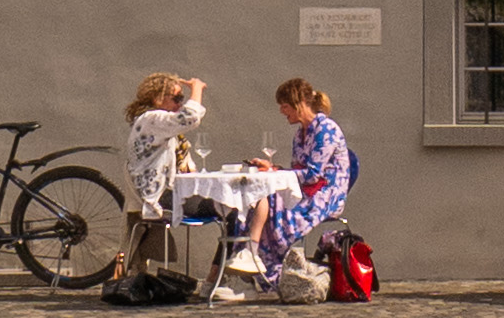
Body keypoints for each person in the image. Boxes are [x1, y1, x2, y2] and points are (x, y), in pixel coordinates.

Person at [223, 74, 355, 302]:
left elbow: (313, 175)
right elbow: (298, 171)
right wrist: (274, 168)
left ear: (299, 104)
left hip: (325, 195)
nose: (282, 112)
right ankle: (250, 268)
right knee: (259, 199)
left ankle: (255, 264)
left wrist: (279, 173)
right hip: (306, 191)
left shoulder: (326, 130)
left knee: (270, 205)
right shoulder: (299, 134)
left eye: (285, 106)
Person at [119, 69, 208, 275]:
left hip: (164, 194)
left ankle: (220, 275)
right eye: (176, 98)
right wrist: (196, 89)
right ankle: (222, 276)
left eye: (182, 98)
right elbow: (190, 117)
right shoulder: (152, 119)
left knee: (222, 207)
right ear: (158, 98)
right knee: (229, 210)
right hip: (159, 198)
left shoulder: (156, 122)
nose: (180, 103)